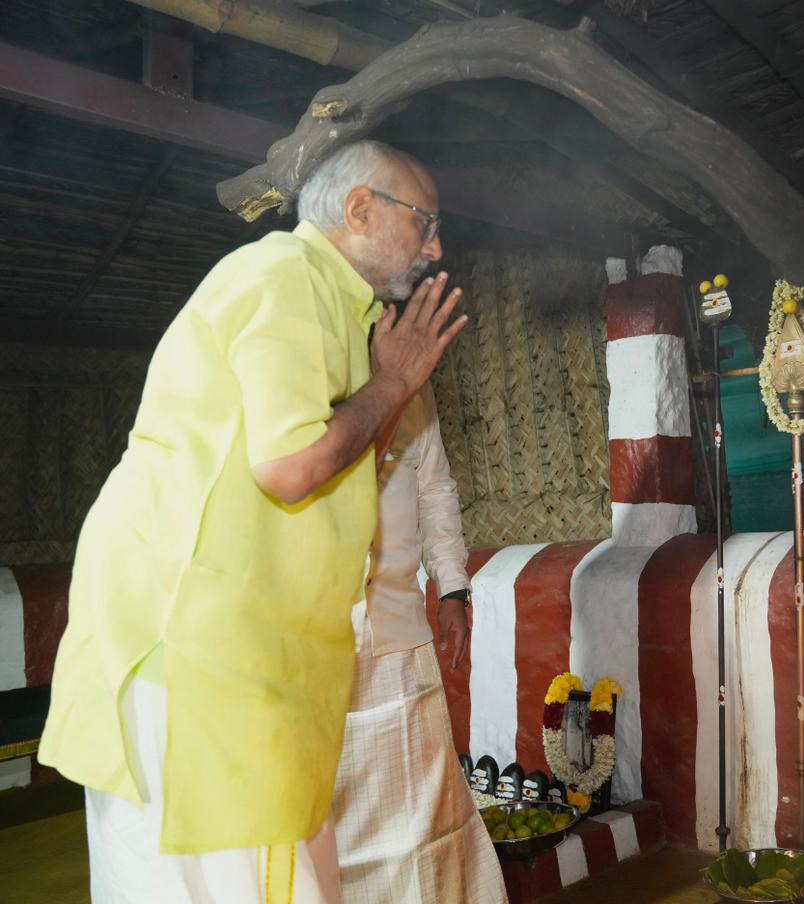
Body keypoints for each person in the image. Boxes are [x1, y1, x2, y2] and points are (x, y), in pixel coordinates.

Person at [38, 139, 466, 903]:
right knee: (240, 879)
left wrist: (391, 386)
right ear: (359, 208)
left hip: (231, 642)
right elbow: (292, 467)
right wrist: (395, 380)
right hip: (194, 641)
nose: (435, 248)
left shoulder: (343, 310)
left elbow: (343, 474)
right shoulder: (284, 276)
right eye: (423, 220)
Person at [331, 383, 507, 902]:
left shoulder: (413, 386)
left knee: (427, 822)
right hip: (326, 641)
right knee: (337, 833)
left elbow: (434, 488)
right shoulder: (309, 366)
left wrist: (452, 588)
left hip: (402, 633)